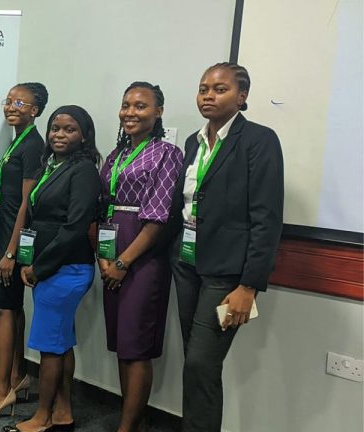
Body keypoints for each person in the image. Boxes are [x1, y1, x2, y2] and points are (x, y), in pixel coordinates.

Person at [166, 62, 283, 430]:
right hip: (187, 264)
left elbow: (266, 217)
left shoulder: (259, 140)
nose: (208, 96)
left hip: (227, 273)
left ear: (241, 96)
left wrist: (249, 285)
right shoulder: (193, 142)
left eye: (220, 89)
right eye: (203, 89)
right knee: (195, 361)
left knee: (201, 362)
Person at [6, 105, 102, 432]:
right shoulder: (52, 166)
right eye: (55, 128)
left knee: (49, 346)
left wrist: (39, 267)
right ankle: (63, 413)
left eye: (69, 129)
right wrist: (29, 261)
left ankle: (42, 417)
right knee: (60, 341)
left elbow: (75, 227)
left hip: (66, 269)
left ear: (84, 136)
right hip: (51, 268)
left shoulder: (83, 170)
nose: (59, 135)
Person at [98, 82, 183, 432]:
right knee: (122, 343)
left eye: (140, 106)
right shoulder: (115, 155)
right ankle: (131, 421)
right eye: (126, 105)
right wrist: (104, 258)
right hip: (111, 250)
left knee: (137, 345)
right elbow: (103, 207)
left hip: (142, 254)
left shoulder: (167, 153)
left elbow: (158, 219)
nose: (130, 112)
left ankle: (128, 428)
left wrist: (122, 262)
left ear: (158, 112)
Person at [0, 82, 48, 420]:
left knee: (4, 307)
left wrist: (11, 251)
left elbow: (26, 203)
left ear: (35, 110)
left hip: (14, 237)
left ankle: (1, 390)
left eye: (20, 103)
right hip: (6, 230)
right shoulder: (18, 141)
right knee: (12, 306)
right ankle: (18, 377)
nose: (11, 107)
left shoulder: (33, 145)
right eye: (9, 100)